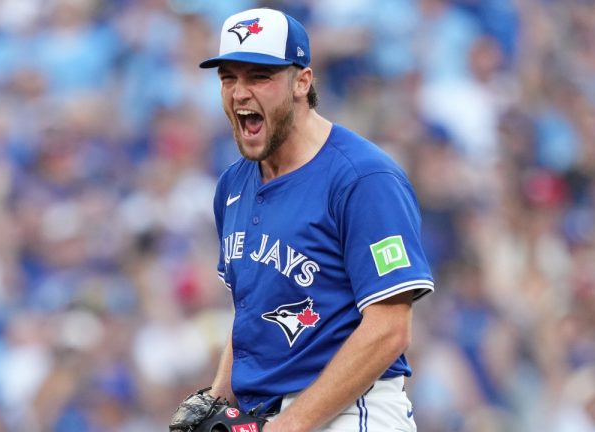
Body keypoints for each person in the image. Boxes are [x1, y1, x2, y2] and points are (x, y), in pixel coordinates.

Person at [177, 8, 434, 432]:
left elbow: (390, 329)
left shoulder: (363, 178)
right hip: (268, 415)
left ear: (302, 81)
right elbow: (250, 314)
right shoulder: (233, 185)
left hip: (353, 411)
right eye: (228, 77)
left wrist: (289, 425)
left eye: (259, 77)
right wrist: (217, 398)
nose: (240, 93)